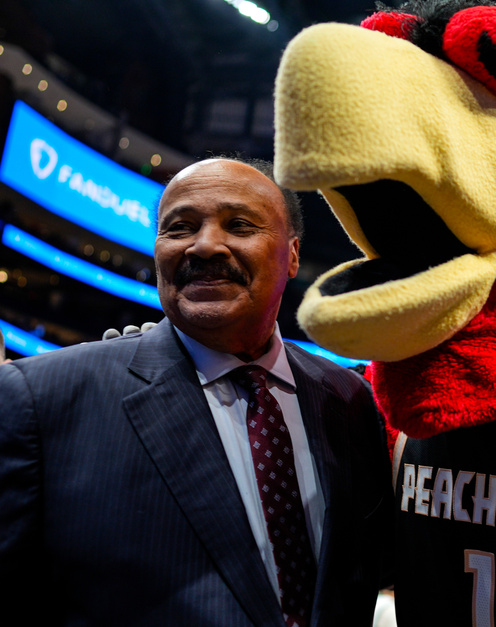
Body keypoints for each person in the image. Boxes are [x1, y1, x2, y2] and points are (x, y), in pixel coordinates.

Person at [0, 158, 395, 626]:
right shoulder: (40, 400)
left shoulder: (350, 400)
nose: (205, 245)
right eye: (180, 227)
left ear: (291, 255)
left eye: (240, 225)